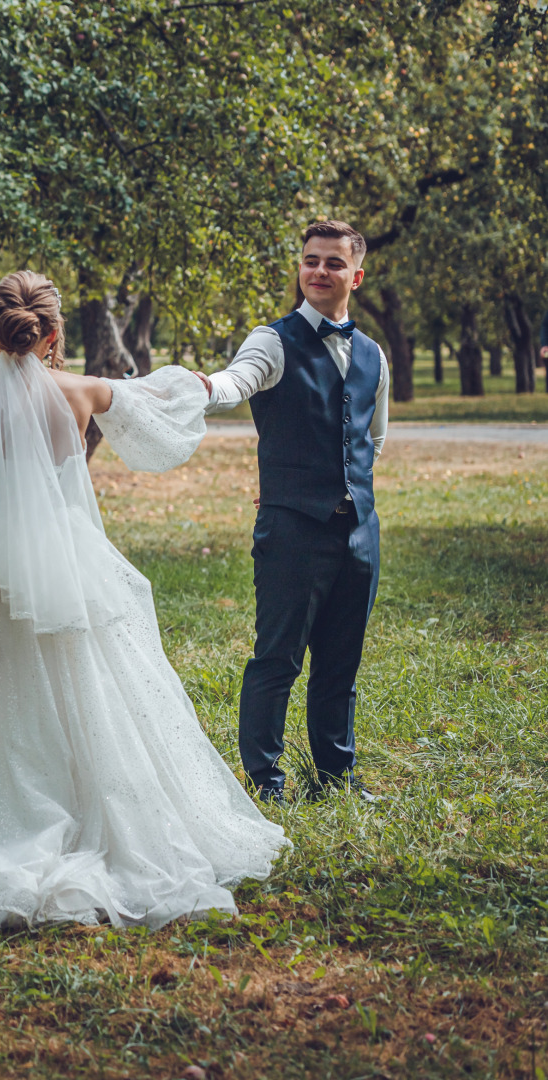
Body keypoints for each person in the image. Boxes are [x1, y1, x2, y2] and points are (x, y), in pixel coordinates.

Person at [0, 271, 287, 930]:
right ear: (52, 336)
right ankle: (94, 808)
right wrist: (204, 382)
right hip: (68, 567)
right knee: (92, 690)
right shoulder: (79, 392)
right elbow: (156, 403)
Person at [203, 221, 388, 804]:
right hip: (291, 530)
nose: (318, 271)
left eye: (333, 263)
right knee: (276, 658)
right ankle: (265, 781)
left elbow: (371, 438)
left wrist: (344, 483)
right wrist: (204, 387)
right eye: (310, 260)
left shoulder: (373, 354)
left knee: (341, 662)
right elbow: (238, 382)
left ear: (355, 276)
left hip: (359, 531)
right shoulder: (273, 340)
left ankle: (337, 777)